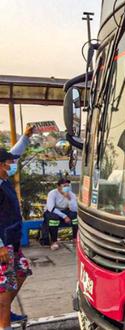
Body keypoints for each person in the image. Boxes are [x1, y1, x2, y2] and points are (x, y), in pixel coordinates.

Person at [0, 127, 34, 328]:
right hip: (3, 247)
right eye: (8, 163)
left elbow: (16, 152)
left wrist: (26, 137)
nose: (12, 164)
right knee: (3, 297)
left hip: (12, 243)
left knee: (22, 272)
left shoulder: (3, 181)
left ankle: (4, 313)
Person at [43, 178, 78, 251]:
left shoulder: (71, 194)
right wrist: (64, 216)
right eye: (64, 186)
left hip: (64, 210)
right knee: (54, 218)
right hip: (52, 212)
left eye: (68, 186)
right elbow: (51, 208)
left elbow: (74, 209)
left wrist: (69, 198)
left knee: (75, 216)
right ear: (58, 186)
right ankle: (54, 241)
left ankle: (75, 238)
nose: (66, 187)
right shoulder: (52, 193)